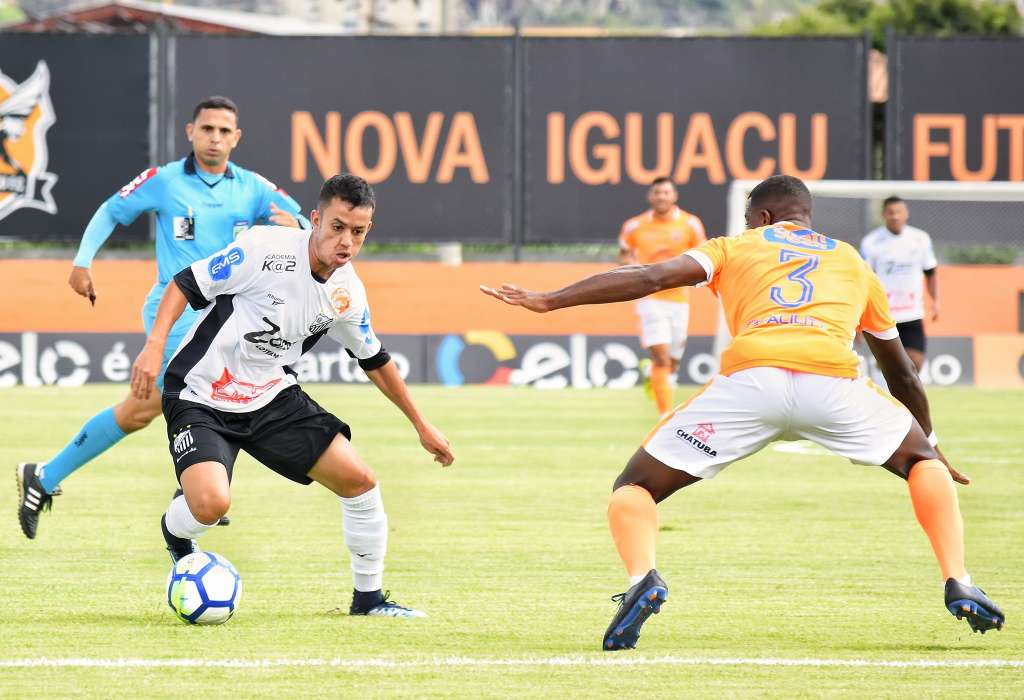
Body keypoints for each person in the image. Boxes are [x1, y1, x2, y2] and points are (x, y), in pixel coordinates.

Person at [482, 174, 1003, 650]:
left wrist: (549, 301)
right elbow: (902, 374)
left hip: (751, 383)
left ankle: (643, 578)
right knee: (922, 466)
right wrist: (929, 446)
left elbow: (648, 276)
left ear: (762, 219)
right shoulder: (851, 261)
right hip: (834, 385)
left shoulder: (735, 247)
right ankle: (956, 577)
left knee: (636, 486)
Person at [130, 173, 454, 618]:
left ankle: (369, 600)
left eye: (357, 232)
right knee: (210, 505)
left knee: (360, 481)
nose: (345, 241)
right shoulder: (265, 248)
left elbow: (374, 358)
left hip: (272, 396)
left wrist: (422, 425)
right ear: (316, 220)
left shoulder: (347, 294)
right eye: (337, 227)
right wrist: (152, 348)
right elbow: (186, 284)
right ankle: (177, 533)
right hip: (200, 392)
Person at [17, 96, 308, 539]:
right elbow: (111, 210)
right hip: (174, 311)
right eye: (206, 129)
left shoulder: (253, 187)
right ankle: (192, 489)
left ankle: (44, 476)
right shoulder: (164, 181)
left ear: (236, 138)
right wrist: (82, 261)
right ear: (190, 132)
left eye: (223, 131)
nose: (214, 138)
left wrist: (297, 231)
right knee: (202, 395)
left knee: (141, 409)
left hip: (226, 319)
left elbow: (308, 225)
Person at [618, 177, 706, 416]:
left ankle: (653, 377)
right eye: (657, 192)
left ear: (673, 196)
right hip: (650, 298)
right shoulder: (634, 226)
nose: (661, 197)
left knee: (673, 361)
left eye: (666, 193)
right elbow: (624, 255)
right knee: (662, 358)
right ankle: (665, 415)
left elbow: (703, 255)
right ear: (650, 196)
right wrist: (632, 271)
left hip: (679, 299)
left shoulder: (690, 224)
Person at [860, 196, 939, 372]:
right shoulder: (871, 242)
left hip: (912, 312)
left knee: (916, 362)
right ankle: (887, 395)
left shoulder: (920, 239)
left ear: (906, 214)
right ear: (883, 215)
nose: (895, 216)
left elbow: (931, 273)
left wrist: (935, 301)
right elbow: (864, 279)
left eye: (898, 212)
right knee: (889, 365)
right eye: (890, 212)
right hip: (884, 313)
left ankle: (898, 396)